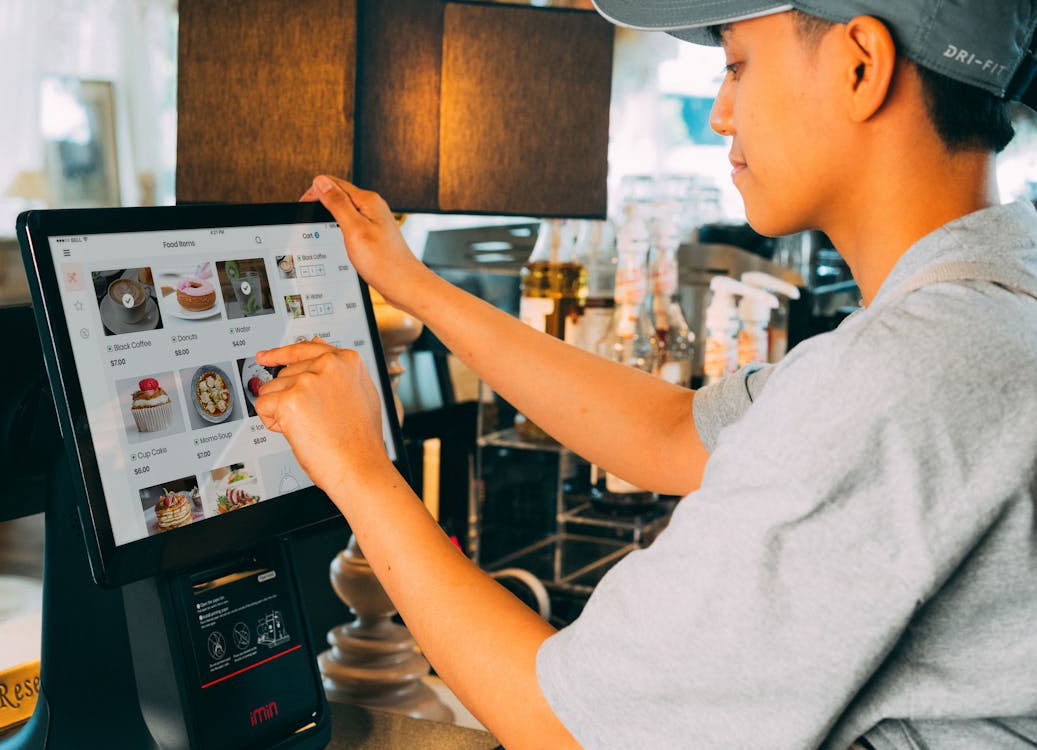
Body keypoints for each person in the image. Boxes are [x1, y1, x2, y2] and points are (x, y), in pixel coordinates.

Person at [254, 1, 1037, 747]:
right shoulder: (985, 308)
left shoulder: (900, 375)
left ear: (860, 66)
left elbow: (568, 732)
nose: (720, 113)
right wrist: (417, 286)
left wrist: (358, 469)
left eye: (736, 66)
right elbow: (668, 432)